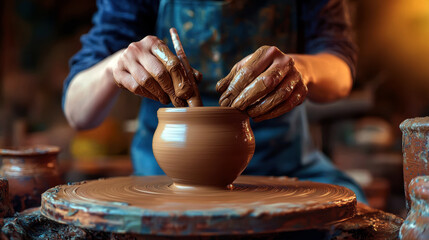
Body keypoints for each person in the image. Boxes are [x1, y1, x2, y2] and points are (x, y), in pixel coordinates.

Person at [63, 0, 366, 201]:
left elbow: (340, 67)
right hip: (163, 177)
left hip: (286, 166)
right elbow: (77, 111)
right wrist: (117, 64)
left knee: (355, 218)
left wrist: (305, 69)